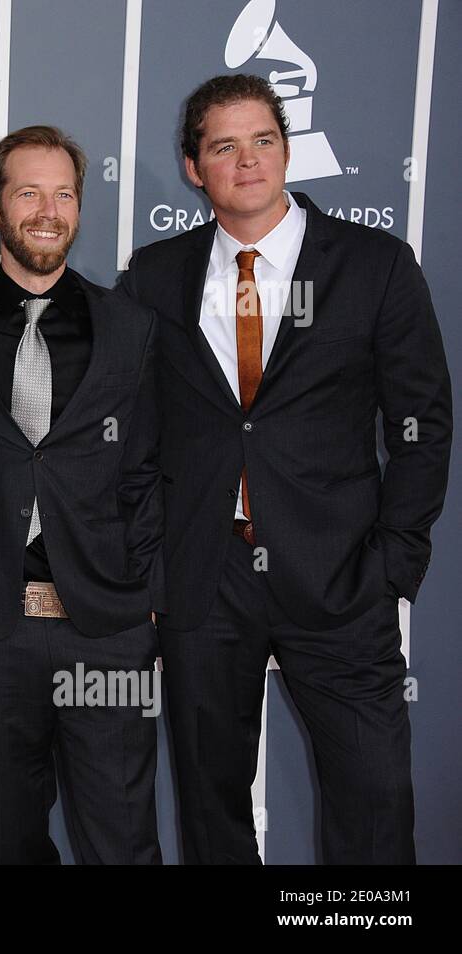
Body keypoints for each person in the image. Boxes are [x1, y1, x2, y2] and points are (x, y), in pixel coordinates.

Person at [115, 74, 451, 864]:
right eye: (223, 147)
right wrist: (155, 565)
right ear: (195, 168)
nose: (247, 161)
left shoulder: (373, 265)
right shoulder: (157, 276)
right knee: (212, 809)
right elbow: (131, 433)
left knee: (373, 805)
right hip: (205, 576)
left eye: (262, 140)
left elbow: (422, 425)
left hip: (340, 576)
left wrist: (394, 564)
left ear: (288, 150)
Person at [0, 126, 163, 864]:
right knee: (10, 840)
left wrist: (144, 605)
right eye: (28, 191)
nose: (48, 209)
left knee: (123, 838)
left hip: (105, 632)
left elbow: (151, 470)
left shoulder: (131, 327)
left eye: (64, 193)